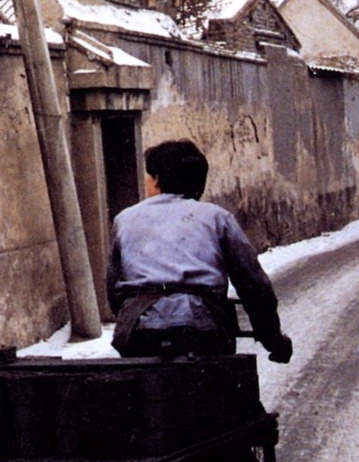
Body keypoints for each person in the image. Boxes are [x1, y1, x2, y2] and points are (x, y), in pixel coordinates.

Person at [107, 139, 292, 363]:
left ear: (157, 180)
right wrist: (272, 339)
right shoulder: (216, 217)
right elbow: (253, 285)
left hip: (140, 331)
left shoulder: (125, 218)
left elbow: (114, 287)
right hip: (203, 326)